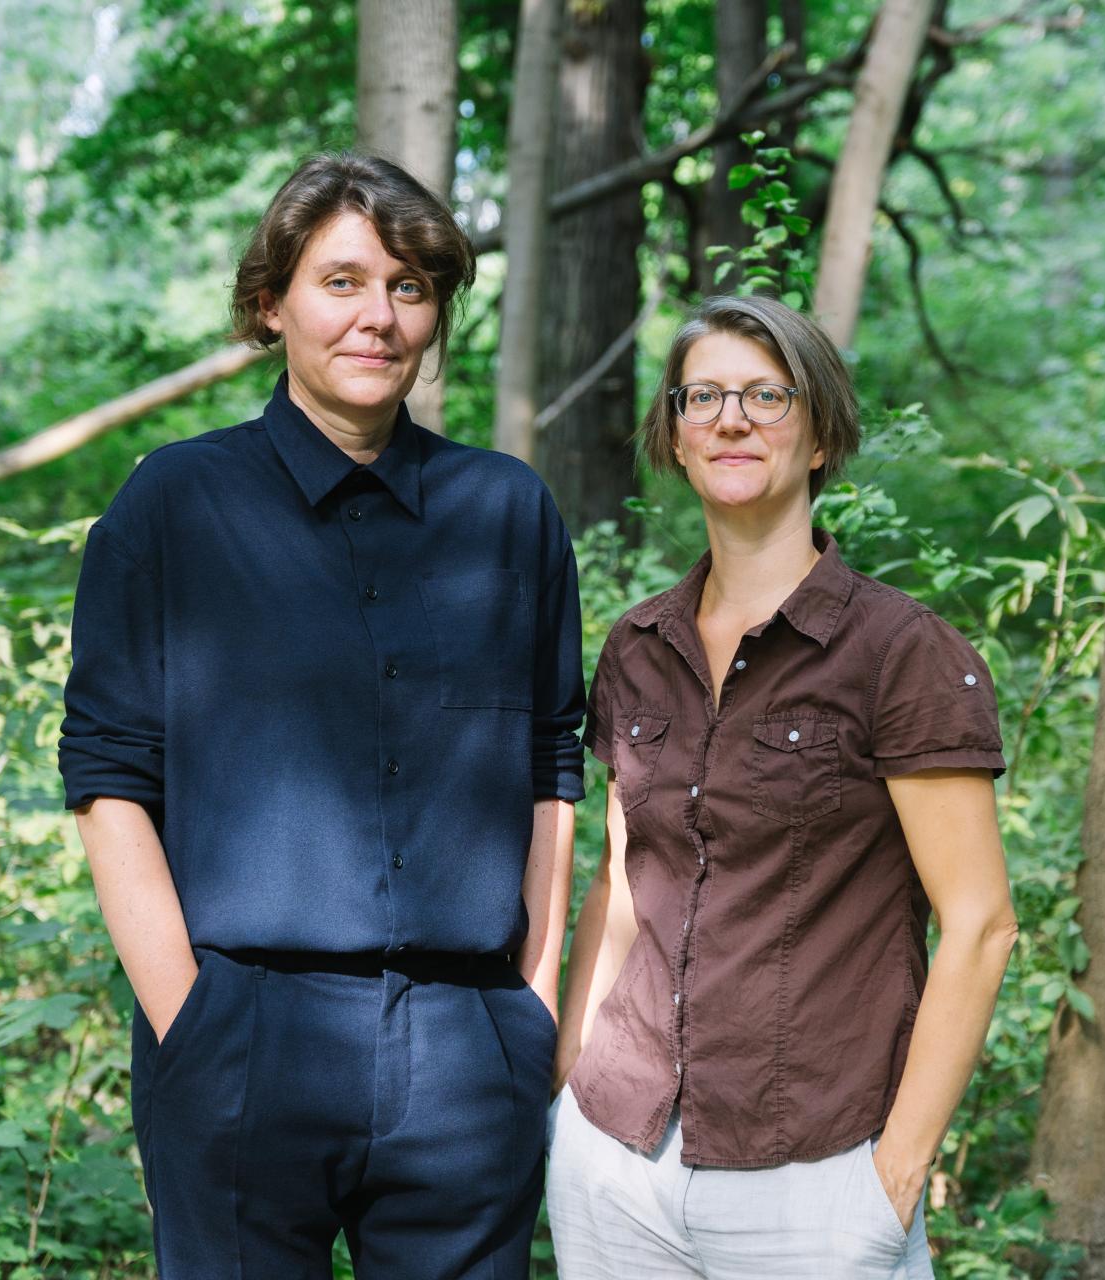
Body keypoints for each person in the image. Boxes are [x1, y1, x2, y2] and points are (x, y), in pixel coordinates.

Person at [58, 151, 584, 1280]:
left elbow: (551, 767)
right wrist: (187, 1022)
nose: (377, 317)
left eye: (407, 286)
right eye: (341, 281)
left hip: (467, 1044)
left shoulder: (507, 512)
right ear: (271, 302)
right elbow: (107, 779)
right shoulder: (174, 504)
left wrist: (528, 1014)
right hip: (238, 1029)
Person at [546, 294, 1018, 1279]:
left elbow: (978, 922)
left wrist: (894, 1171)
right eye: (704, 394)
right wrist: (567, 1084)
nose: (730, 418)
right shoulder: (636, 645)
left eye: (765, 395)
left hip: (814, 1172)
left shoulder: (901, 653)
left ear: (817, 434)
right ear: (673, 435)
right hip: (613, 1154)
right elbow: (622, 885)